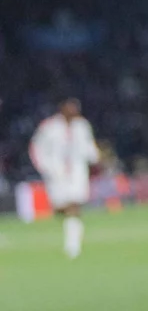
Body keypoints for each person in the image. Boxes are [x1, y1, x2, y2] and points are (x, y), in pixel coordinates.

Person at [29, 97, 98, 259]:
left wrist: (94, 157)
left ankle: (72, 244)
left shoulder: (82, 126)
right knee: (61, 208)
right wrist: (44, 167)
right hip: (56, 174)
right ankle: (71, 229)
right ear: (62, 108)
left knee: (74, 205)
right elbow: (36, 147)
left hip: (77, 172)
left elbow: (88, 145)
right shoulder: (49, 127)